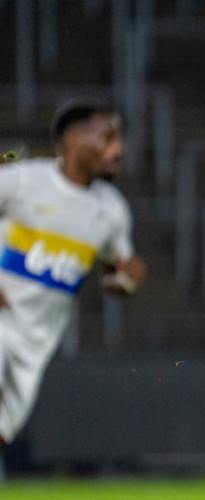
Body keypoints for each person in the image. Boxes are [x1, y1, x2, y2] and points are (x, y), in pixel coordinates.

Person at [0, 100, 147, 451]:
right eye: (108, 137)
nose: (118, 149)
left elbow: (115, 280)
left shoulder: (111, 210)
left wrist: (128, 281)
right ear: (74, 138)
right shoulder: (21, 180)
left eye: (120, 139)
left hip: (36, 344)